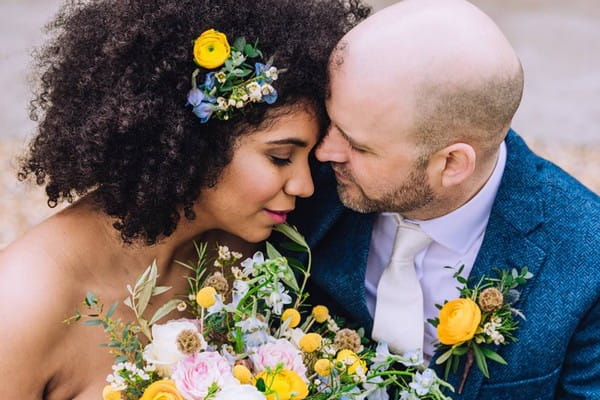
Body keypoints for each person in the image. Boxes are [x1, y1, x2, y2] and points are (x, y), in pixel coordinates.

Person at [0, 0, 370, 398]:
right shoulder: (22, 304)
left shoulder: (244, 254)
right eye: (280, 157)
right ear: (193, 145)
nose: (305, 186)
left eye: (308, 159)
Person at [289, 0, 600, 399]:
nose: (324, 151)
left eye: (358, 146)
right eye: (332, 121)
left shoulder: (586, 264)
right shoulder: (302, 184)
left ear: (452, 163)